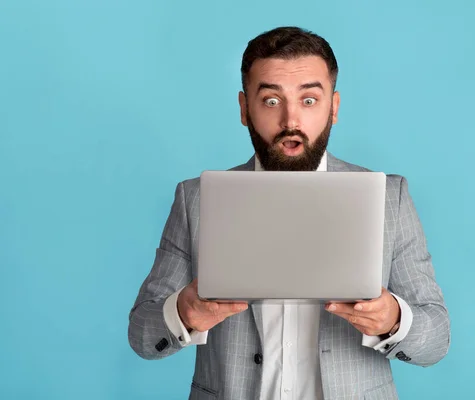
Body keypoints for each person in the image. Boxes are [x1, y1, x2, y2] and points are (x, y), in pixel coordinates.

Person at [128, 26, 450, 400]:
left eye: (309, 100)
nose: (290, 121)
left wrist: (393, 320)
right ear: (244, 108)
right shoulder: (195, 199)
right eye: (270, 101)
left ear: (334, 107)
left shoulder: (388, 198)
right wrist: (182, 314)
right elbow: (142, 334)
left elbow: (436, 339)